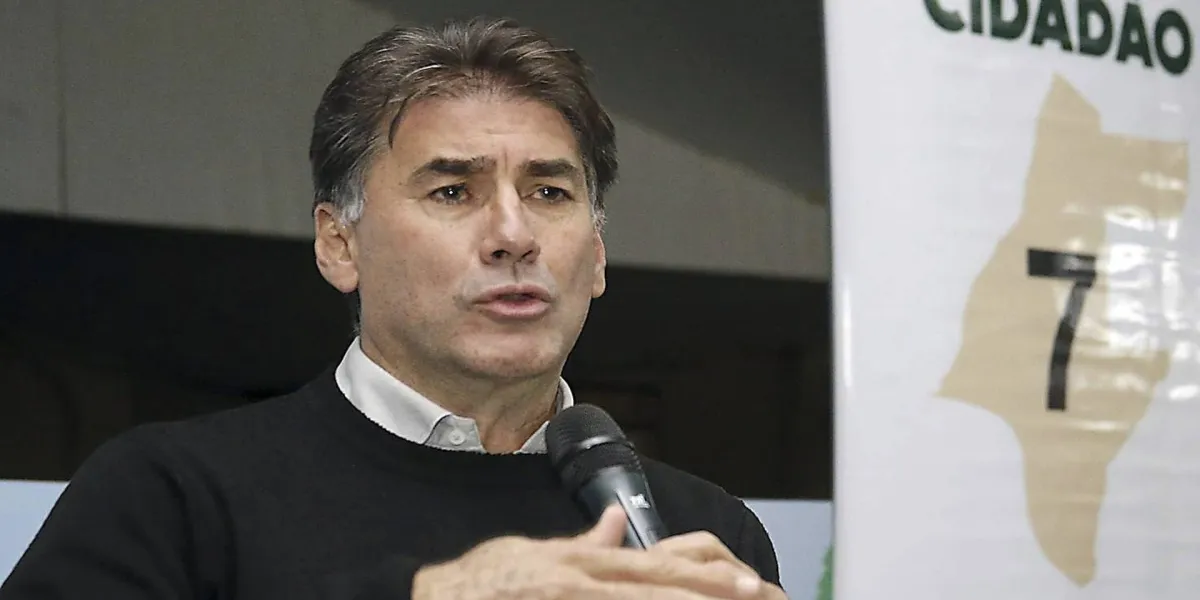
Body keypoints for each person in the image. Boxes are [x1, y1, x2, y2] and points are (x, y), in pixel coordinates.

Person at [0, 16, 785, 600]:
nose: (514, 235)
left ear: (599, 253)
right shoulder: (172, 495)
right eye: (453, 191)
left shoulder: (700, 531)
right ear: (339, 243)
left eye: (549, 192)